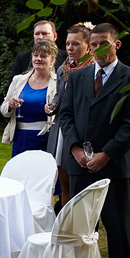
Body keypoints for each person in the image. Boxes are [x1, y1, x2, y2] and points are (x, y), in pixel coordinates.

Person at [57, 22, 130, 258]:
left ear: (116, 44)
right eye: (93, 44)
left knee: (117, 221)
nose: (97, 49)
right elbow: (65, 115)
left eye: (103, 44)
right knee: (81, 221)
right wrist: (75, 150)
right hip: (79, 163)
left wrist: (106, 155)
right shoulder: (78, 77)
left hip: (112, 164)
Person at [48, 23, 93, 208]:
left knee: (80, 181)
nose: (70, 48)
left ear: (88, 46)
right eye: (67, 44)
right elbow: (60, 95)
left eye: (75, 44)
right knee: (63, 178)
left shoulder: (93, 70)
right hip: (61, 127)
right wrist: (52, 105)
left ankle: (84, 219)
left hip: (80, 128)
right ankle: (66, 218)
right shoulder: (63, 68)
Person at [0, 39, 59, 157]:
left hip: (45, 138)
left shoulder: (57, 82)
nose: (38, 59)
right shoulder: (18, 80)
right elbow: (3, 110)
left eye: (43, 56)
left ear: (52, 60)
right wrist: (10, 105)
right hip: (21, 138)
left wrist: (52, 108)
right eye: (35, 55)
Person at [6, 19, 68, 90]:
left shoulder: (66, 57)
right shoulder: (23, 57)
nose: (40, 37)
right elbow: (11, 86)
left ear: (55, 36)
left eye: (44, 33)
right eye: (37, 34)